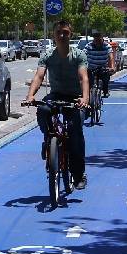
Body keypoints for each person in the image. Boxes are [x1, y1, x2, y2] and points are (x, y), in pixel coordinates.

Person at [25, 20, 90, 190]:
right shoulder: (47, 55)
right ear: (53, 35)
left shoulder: (79, 55)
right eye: (59, 32)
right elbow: (39, 76)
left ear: (71, 34)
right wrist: (31, 95)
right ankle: (49, 139)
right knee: (43, 110)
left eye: (66, 33)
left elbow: (84, 77)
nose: (62, 36)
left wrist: (85, 98)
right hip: (56, 95)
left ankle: (78, 175)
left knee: (75, 131)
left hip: (75, 98)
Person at [84, 30, 116, 98]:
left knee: (105, 78)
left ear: (102, 39)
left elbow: (111, 57)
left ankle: (105, 91)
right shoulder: (88, 46)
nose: (97, 42)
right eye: (95, 40)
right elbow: (83, 56)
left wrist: (112, 67)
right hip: (91, 68)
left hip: (102, 68)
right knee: (88, 80)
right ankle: (87, 93)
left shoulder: (107, 46)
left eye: (99, 39)